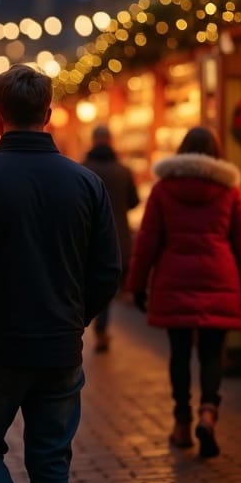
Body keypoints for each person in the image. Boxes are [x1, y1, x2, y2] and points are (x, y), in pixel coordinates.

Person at [0, 64, 121, 483]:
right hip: (59, 344)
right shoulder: (86, 183)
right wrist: (76, 316)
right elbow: (108, 269)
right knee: (52, 459)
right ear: (48, 113)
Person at [127, 125, 241, 459]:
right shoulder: (230, 190)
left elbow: (147, 241)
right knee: (212, 354)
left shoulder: (163, 189)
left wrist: (137, 284)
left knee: (179, 354)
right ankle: (209, 413)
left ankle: (182, 424)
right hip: (221, 279)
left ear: (183, 151)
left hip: (174, 280)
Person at [81, 125, 140, 353]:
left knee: (93, 280)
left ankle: (99, 327)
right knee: (109, 280)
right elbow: (134, 201)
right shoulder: (123, 171)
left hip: (90, 236)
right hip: (119, 235)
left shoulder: (83, 170)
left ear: (94, 141)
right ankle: (102, 329)